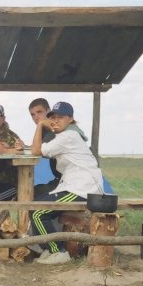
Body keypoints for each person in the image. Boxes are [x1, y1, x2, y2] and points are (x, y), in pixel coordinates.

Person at [29, 101, 104, 265]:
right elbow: (39, 148)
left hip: (82, 189)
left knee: (38, 212)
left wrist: (41, 124)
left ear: (70, 119)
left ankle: (59, 252)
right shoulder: (65, 135)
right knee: (34, 206)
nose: (56, 121)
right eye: (53, 117)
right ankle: (49, 249)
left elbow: (36, 151)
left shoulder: (69, 136)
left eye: (61, 117)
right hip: (72, 185)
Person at [28, 98, 60, 196]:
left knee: (31, 194)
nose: (36, 117)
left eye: (39, 112)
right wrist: (23, 146)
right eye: (32, 114)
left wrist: (40, 125)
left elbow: (36, 151)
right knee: (31, 192)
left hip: (70, 181)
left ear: (48, 111)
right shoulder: (45, 130)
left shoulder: (55, 130)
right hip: (60, 179)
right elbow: (37, 147)